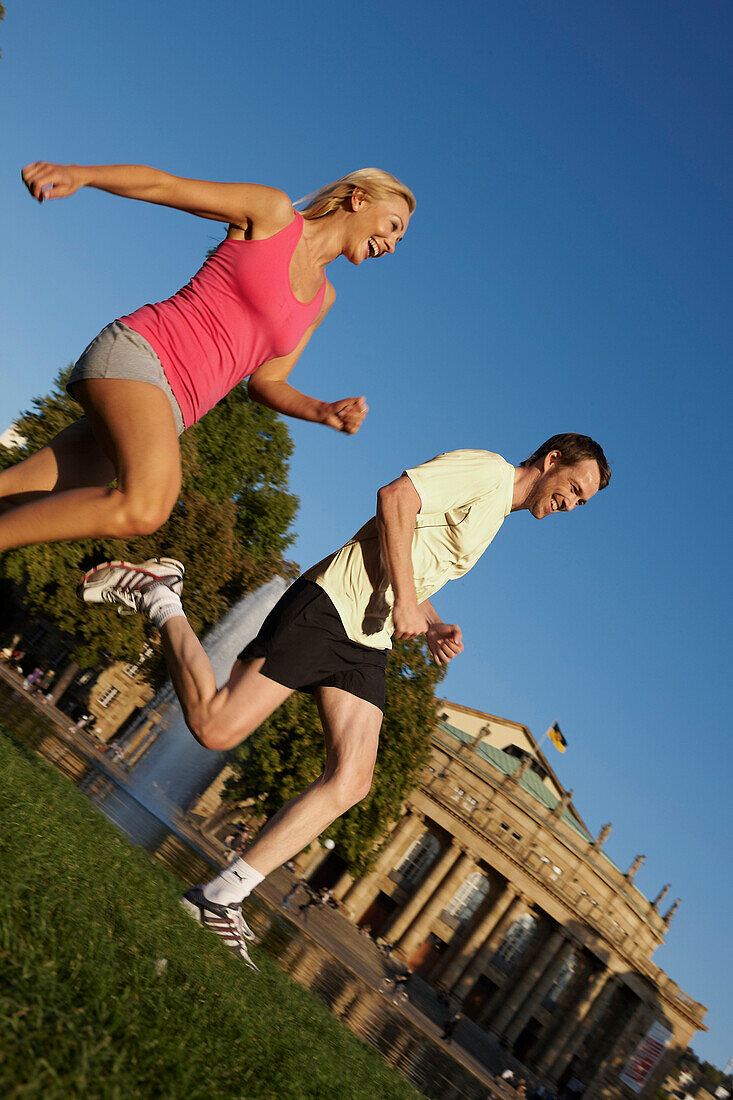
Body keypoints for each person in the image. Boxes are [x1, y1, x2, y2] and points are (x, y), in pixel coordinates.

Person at [77, 433, 610, 967]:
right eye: (574, 488)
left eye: (582, 503)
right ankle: (160, 595)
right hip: (332, 606)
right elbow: (393, 499)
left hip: (367, 639)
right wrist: (403, 600)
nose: (572, 503)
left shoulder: (495, 512)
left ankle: (222, 896)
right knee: (216, 727)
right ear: (552, 460)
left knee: (352, 780)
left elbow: (406, 552)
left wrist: (431, 623)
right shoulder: (487, 473)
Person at [1, 161, 414, 553]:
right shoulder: (273, 214)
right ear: (358, 199)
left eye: (400, 239)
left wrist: (322, 409)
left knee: (14, 498)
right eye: (393, 226)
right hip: (143, 355)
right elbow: (164, 185)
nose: (393, 245)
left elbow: (266, 383)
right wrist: (81, 175)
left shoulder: (323, 299)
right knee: (146, 506)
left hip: (170, 410)